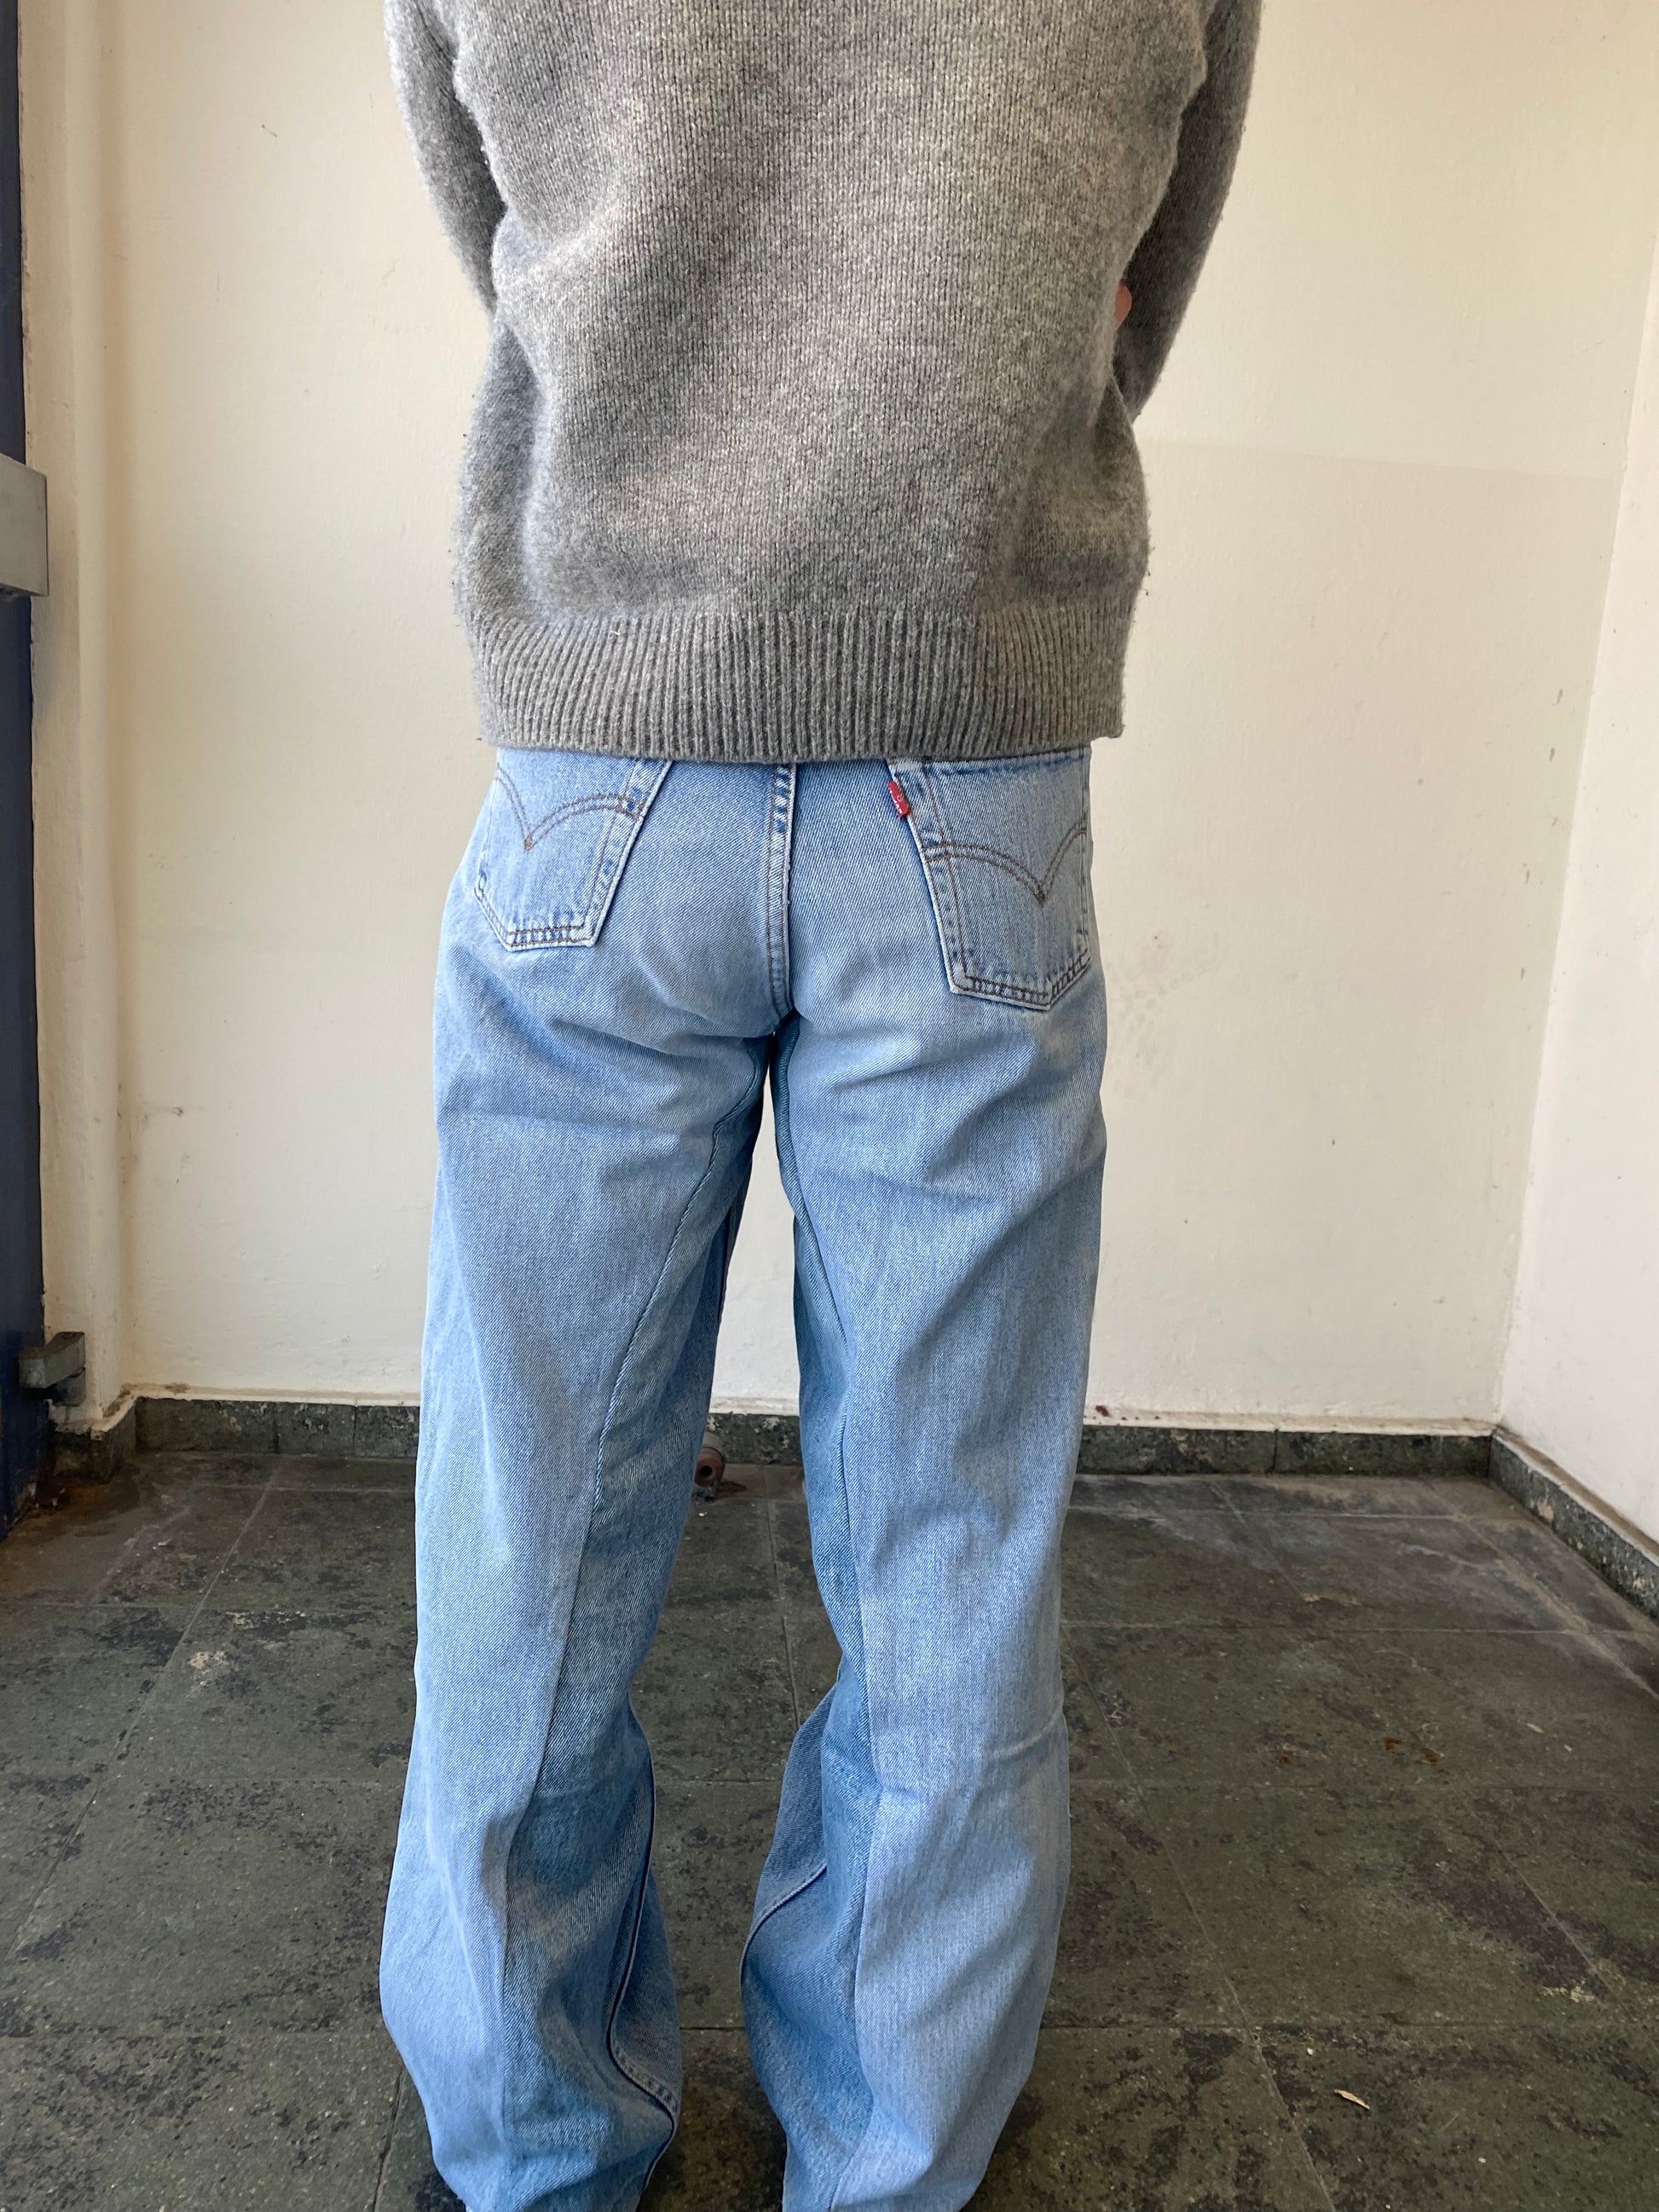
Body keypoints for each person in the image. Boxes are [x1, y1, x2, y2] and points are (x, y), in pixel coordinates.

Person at [378, 4, 1259, 2207]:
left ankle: (534, 2143)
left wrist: (669, 433)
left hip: (603, 770)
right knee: (951, 1546)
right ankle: (885, 2153)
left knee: (527, 1536)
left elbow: (488, 197)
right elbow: (1145, 250)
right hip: (967, 769)